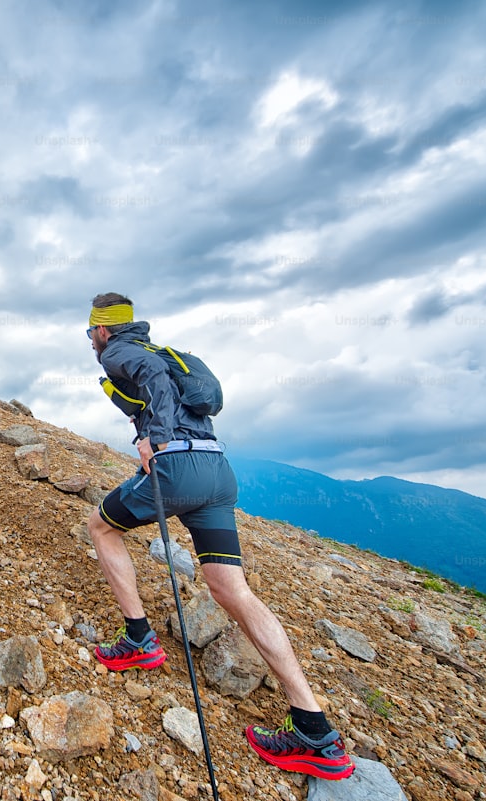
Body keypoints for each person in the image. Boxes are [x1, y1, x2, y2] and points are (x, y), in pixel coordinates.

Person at [85, 292, 354, 781]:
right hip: (216, 470)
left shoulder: (120, 352)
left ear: (104, 329)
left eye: (90, 332)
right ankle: (314, 729)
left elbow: (153, 381)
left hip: (177, 467)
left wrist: (155, 438)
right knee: (233, 589)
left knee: (101, 526)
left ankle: (139, 638)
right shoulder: (165, 352)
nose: (91, 341)